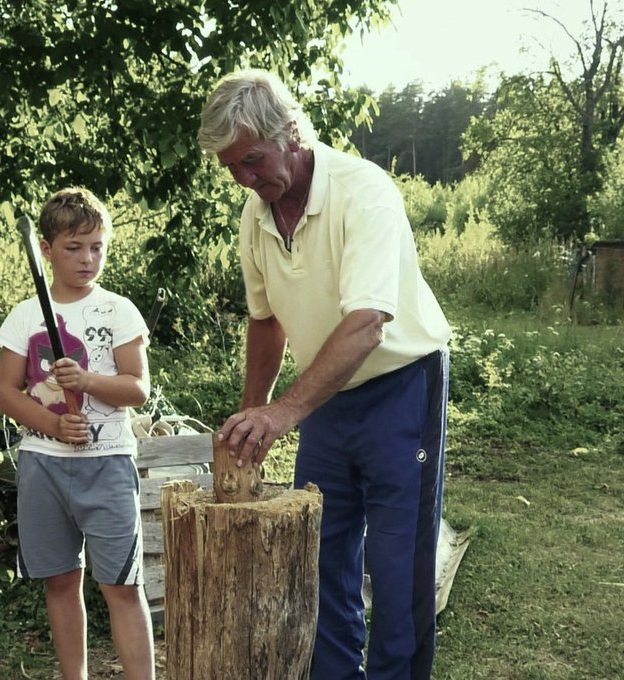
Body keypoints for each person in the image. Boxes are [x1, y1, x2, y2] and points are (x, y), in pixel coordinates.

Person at [198, 70, 452, 680]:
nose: (244, 178)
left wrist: (283, 412)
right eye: (232, 167)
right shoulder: (256, 215)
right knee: (320, 558)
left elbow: (368, 323)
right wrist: (250, 422)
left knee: (398, 566)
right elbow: (265, 323)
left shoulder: (363, 191)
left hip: (402, 387)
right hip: (325, 397)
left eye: (253, 160)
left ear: (290, 132)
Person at [0, 188, 155, 680]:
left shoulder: (118, 310)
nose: (88, 259)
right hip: (43, 465)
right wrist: (53, 424)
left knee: (123, 586)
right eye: (74, 248)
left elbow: (137, 389)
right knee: (61, 581)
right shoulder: (25, 315)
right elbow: (6, 392)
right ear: (46, 249)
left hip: (107, 465)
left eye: (97, 247)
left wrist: (86, 382)